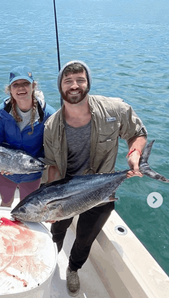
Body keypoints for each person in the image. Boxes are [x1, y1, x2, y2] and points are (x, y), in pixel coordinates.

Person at [43, 60, 147, 296]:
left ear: (88, 82)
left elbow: (137, 133)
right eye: (68, 81)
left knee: (85, 239)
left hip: (101, 192)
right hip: (66, 192)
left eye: (80, 79)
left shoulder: (114, 109)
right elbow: (52, 167)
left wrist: (134, 154)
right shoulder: (51, 126)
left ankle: (73, 268)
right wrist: (50, 203)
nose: (74, 85)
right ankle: (50, 262)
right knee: (57, 232)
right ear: (60, 87)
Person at [0, 65, 55, 207]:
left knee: (26, 206)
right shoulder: (1, 112)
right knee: (5, 201)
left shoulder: (49, 114)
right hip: (7, 172)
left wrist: (37, 164)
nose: (21, 88)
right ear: (10, 90)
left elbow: (50, 148)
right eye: (16, 85)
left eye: (25, 83)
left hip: (32, 174)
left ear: (33, 86)